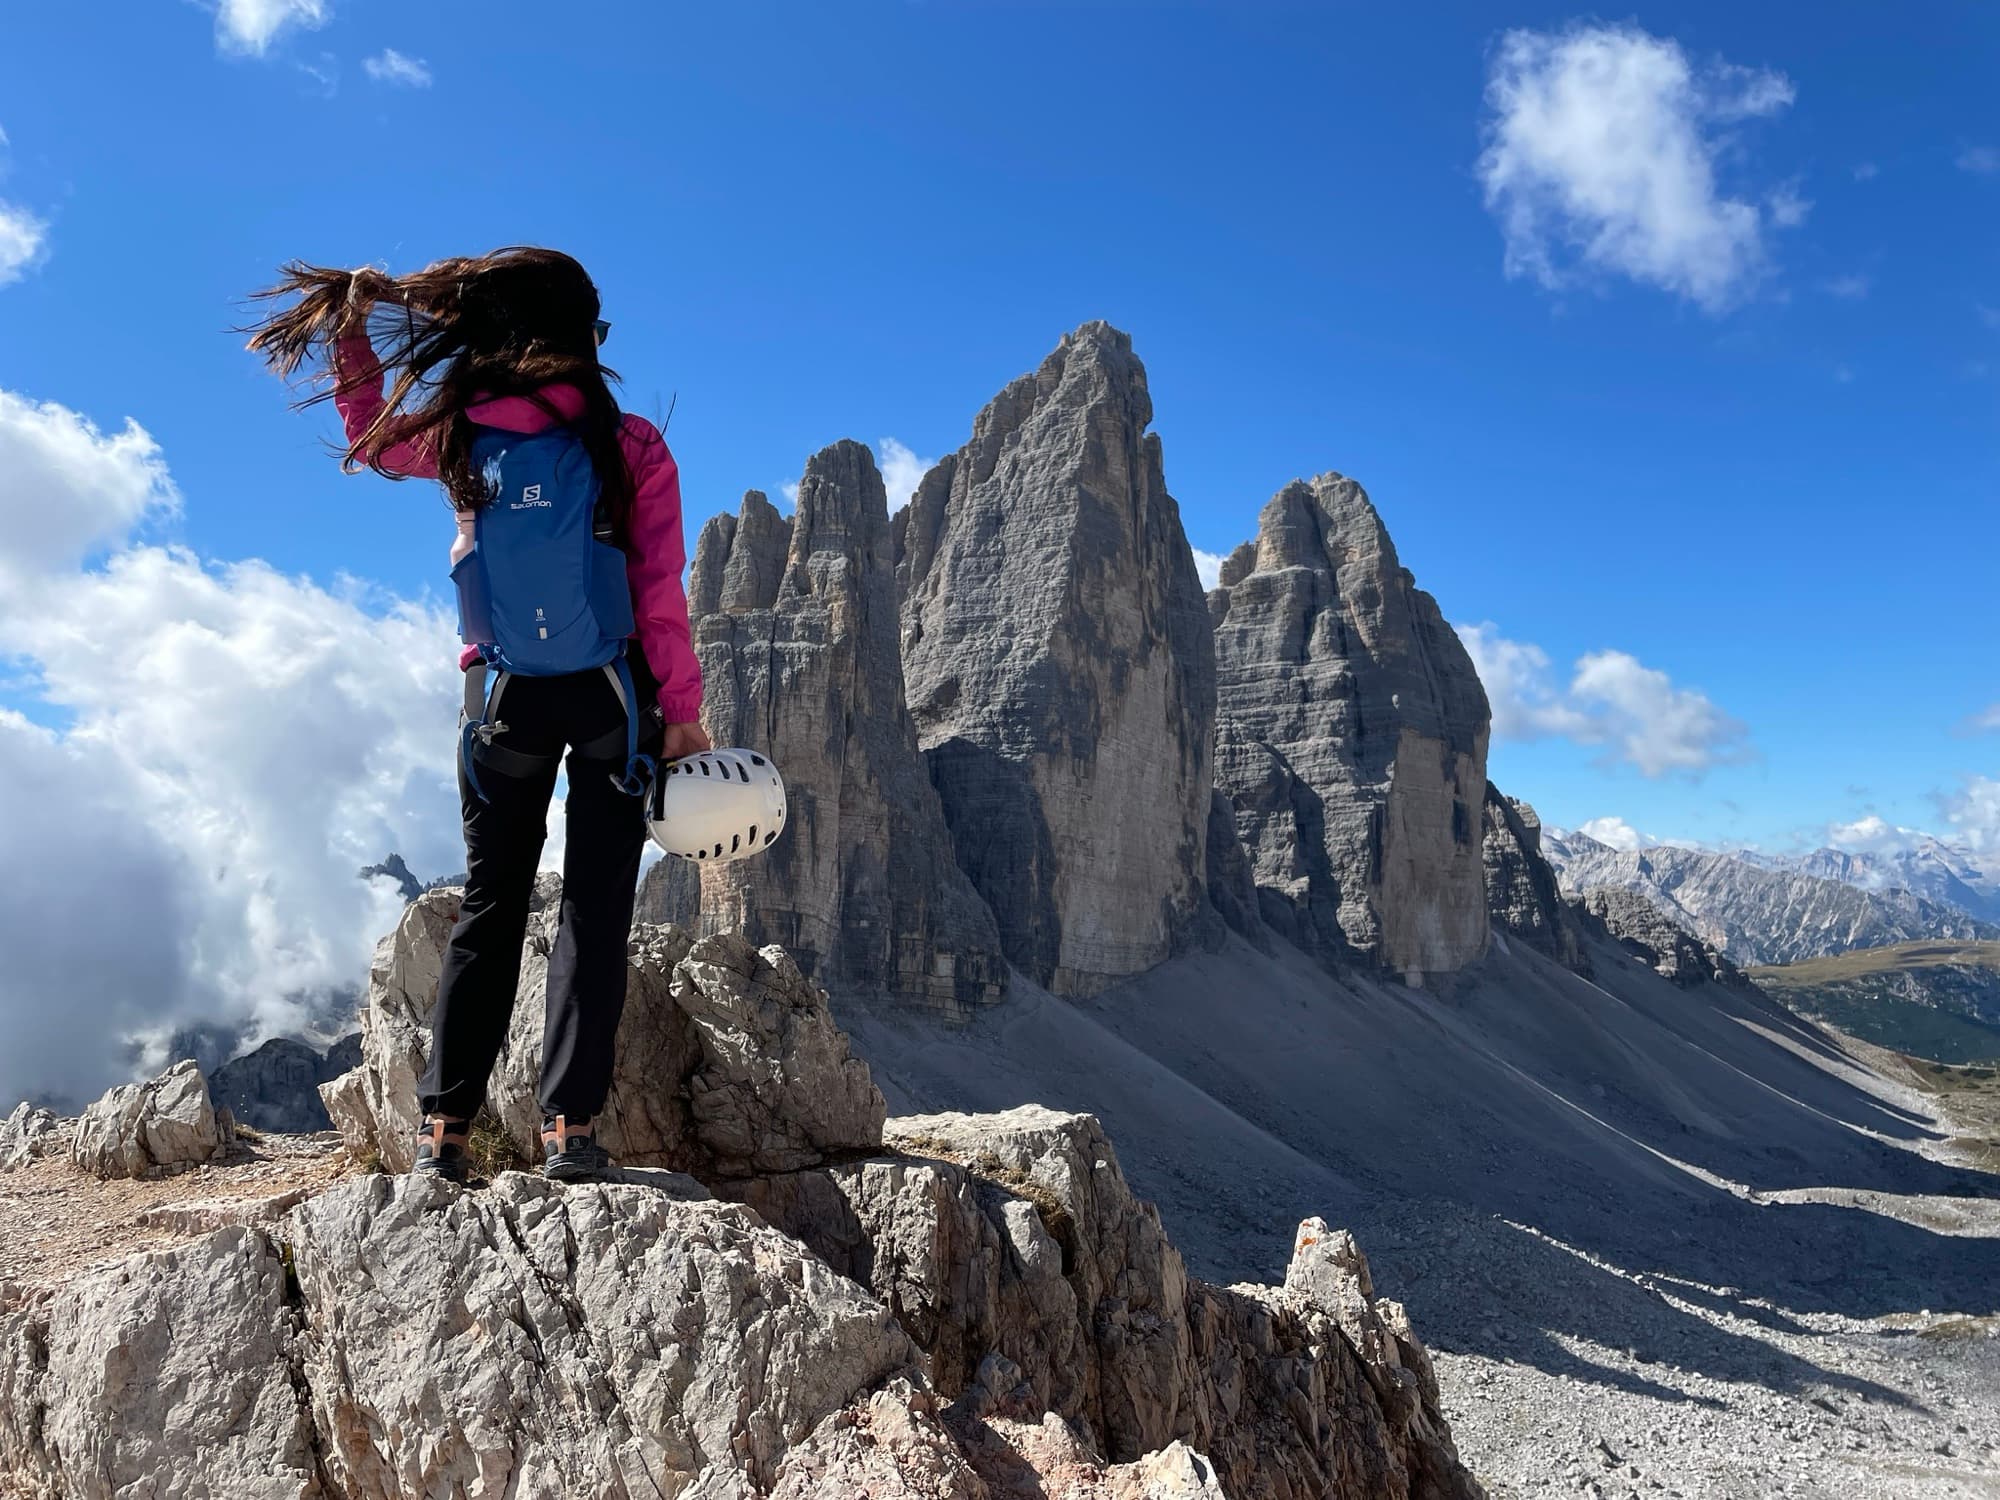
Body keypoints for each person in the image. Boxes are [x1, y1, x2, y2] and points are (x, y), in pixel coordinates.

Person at [247, 247, 708, 1183]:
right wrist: (685, 715)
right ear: (581, 338)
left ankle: (444, 1133)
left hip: (505, 702)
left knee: (491, 905)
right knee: (594, 905)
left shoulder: (458, 437)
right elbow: (660, 594)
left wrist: (351, 339)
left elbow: (370, 437)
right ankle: (570, 1132)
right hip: (613, 697)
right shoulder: (631, 447)